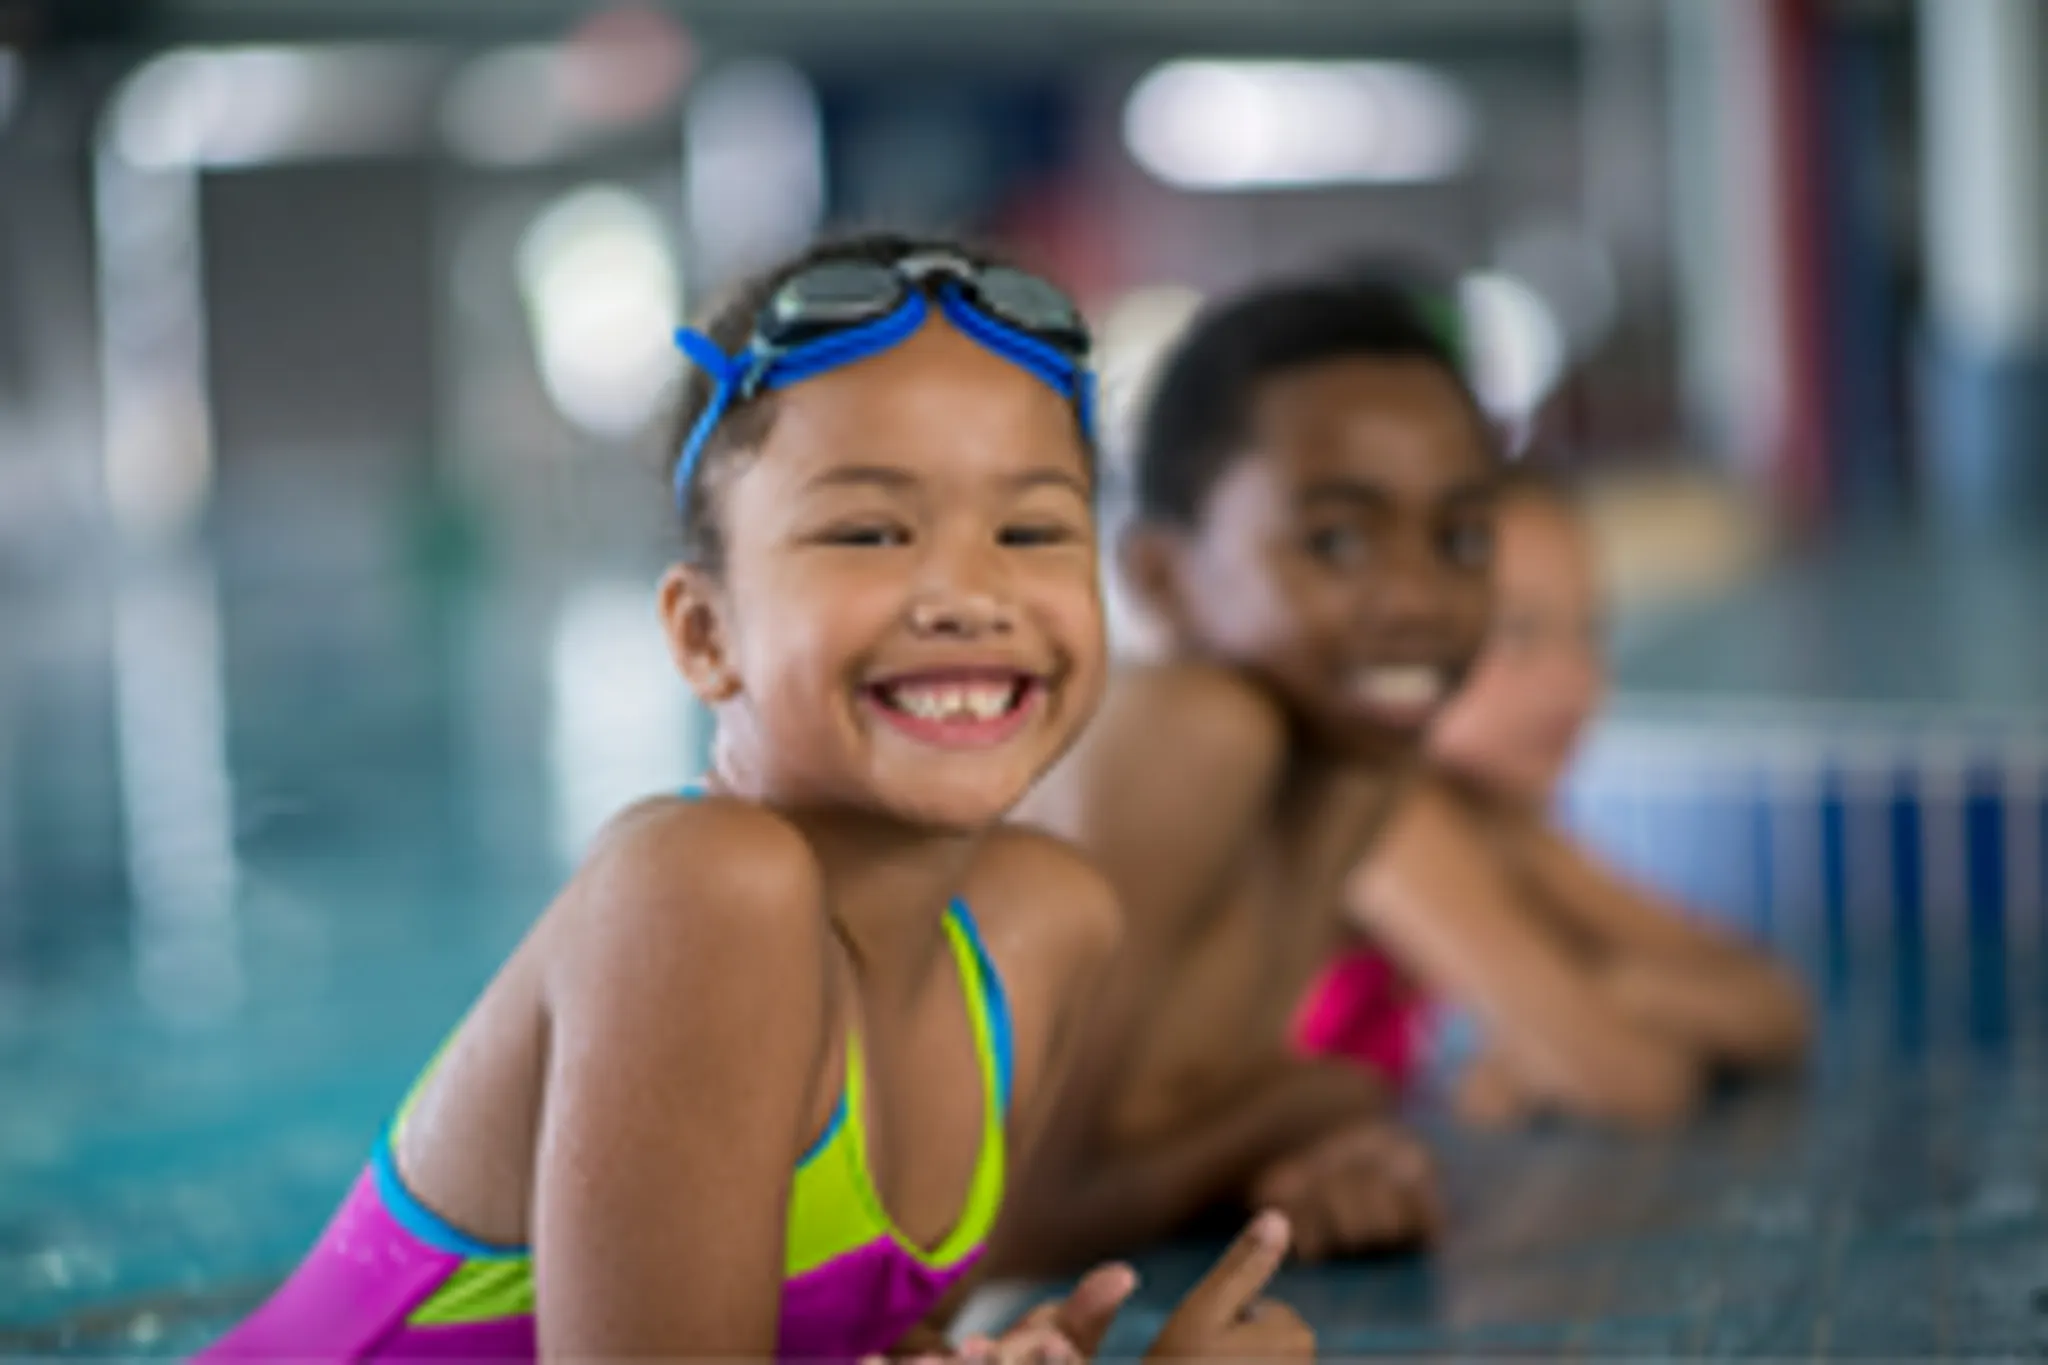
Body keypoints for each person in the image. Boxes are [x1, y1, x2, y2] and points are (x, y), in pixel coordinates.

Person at [200, 234, 1312, 1363]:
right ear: (703, 633)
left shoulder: (1041, 935)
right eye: (867, 532)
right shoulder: (698, 890)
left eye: (1030, 530)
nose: (968, 596)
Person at [999, 277, 1498, 1273]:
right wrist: (1312, 1102)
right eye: (1336, 541)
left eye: (1458, 538)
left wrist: (1283, 1150)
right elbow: (995, 1231)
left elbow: (1156, 1122)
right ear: (1159, 580)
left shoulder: (1355, 761)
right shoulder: (1196, 731)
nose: (1414, 599)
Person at [1319, 468, 1810, 1130]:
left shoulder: (1499, 824)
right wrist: (1590, 1026)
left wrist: (1627, 993)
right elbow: (1635, 1083)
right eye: (1518, 632)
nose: (1572, 678)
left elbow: (1773, 1000)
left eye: (1590, 631)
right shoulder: (1383, 818)